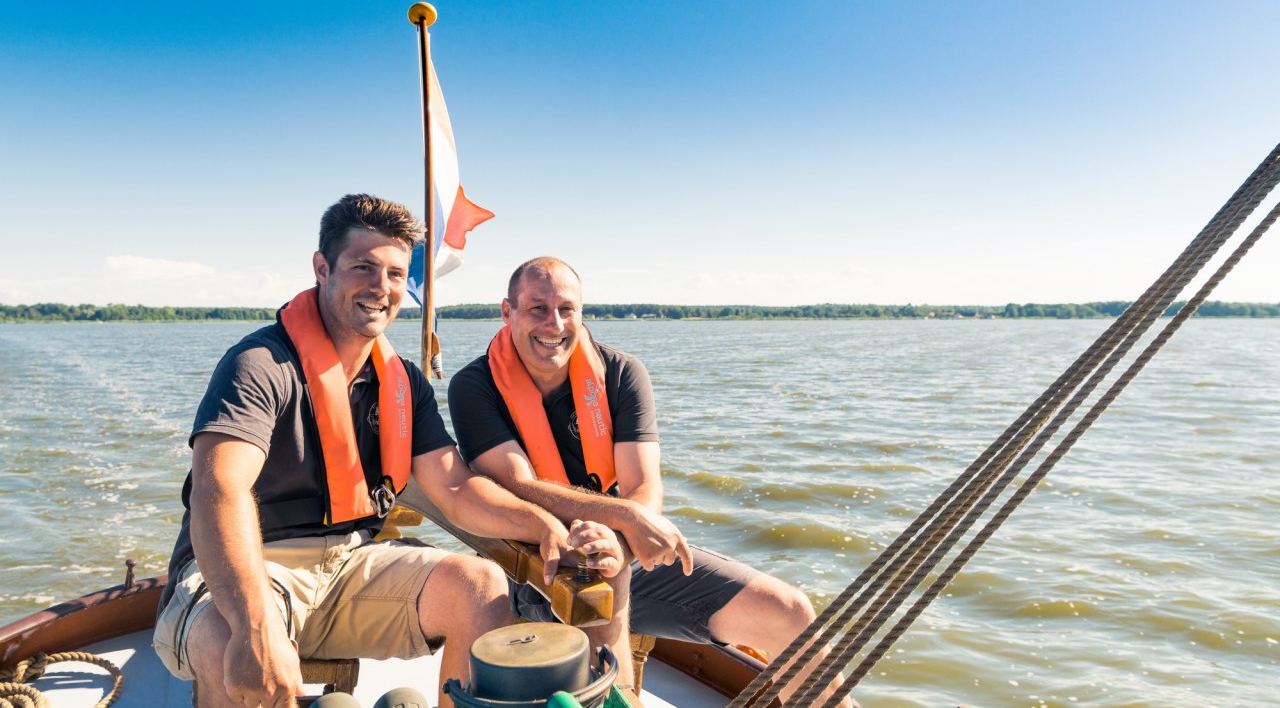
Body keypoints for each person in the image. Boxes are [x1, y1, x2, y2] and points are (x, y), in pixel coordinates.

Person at [152, 198, 625, 708]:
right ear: (321, 268)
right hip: (247, 566)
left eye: (396, 274)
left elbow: (458, 487)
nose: (382, 287)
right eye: (364, 268)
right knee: (230, 642)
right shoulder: (259, 365)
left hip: (348, 562)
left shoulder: (403, 384)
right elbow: (219, 487)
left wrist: (545, 527)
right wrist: (256, 625)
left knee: (480, 584)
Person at [448, 257, 851, 704]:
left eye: (567, 309)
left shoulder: (621, 373)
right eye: (537, 308)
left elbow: (645, 486)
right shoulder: (474, 384)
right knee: (603, 588)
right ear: (508, 312)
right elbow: (516, 482)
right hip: (531, 567)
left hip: (622, 549)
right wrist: (620, 515)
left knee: (788, 611)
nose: (554, 323)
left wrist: (614, 540)